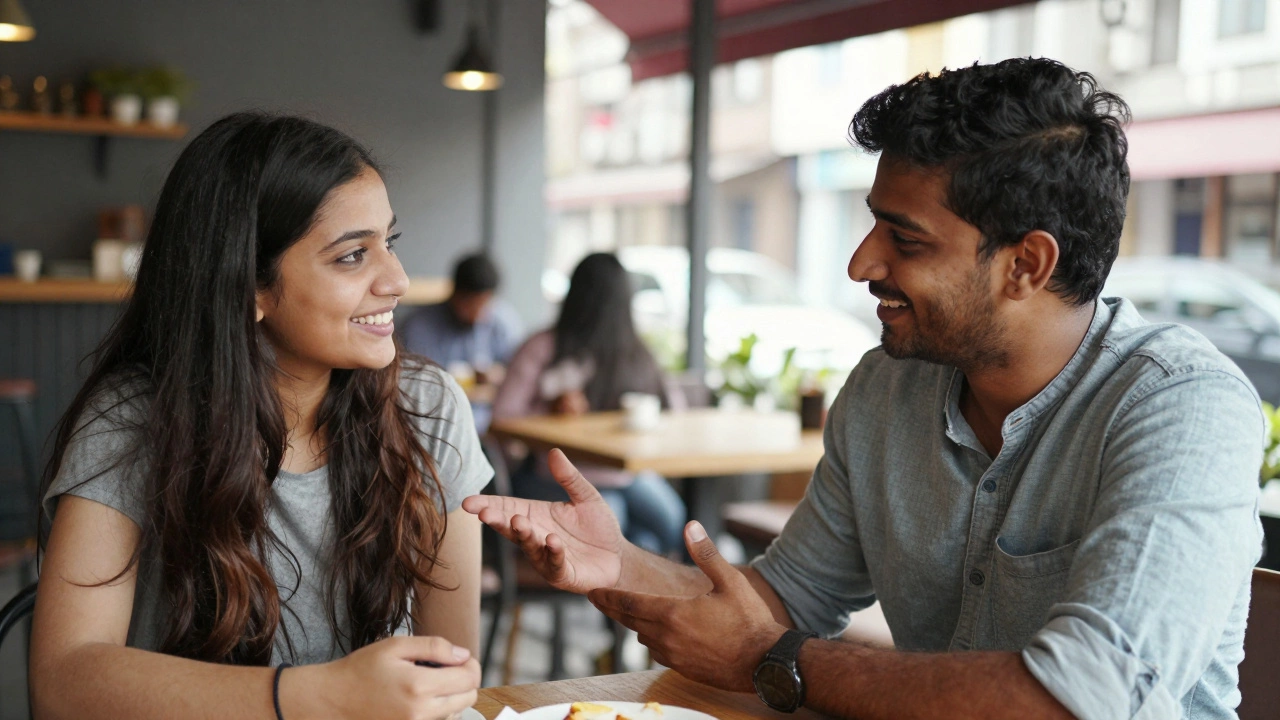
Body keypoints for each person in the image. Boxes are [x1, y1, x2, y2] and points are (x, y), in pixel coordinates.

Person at [465, 58, 1265, 720]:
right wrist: (622, 567)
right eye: (874, 222)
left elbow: (1082, 697)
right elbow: (785, 601)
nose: (860, 264)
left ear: (1027, 264)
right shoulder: (889, 387)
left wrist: (779, 663)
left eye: (904, 239)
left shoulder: (1179, 405)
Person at [31, 113, 492, 720]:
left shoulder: (427, 406)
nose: (398, 280)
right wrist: (317, 696)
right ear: (247, 285)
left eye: (390, 242)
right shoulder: (134, 420)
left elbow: (453, 673)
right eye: (353, 255)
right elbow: (63, 680)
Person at [492, 252, 687, 557]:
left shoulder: (635, 352)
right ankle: (619, 595)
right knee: (619, 522)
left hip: (626, 472)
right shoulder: (544, 348)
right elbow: (503, 419)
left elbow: (673, 408)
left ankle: (634, 593)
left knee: (672, 520)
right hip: (557, 475)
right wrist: (550, 411)